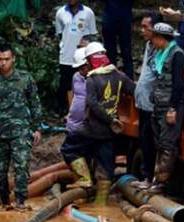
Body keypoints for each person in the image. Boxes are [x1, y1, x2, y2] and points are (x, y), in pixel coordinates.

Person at [0, 43, 42, 211]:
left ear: (13, 59)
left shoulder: (25, 79)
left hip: (21, 132)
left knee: (22, 166)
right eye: (0, 59)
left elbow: (35, 103)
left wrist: (37, 128)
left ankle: (20, 201)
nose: (3, 63)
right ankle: (5, 201)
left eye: (6, 59)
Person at [79, 41, 134, 203]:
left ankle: (86, 185)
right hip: (109, 132)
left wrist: (109, 120)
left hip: (91, 130)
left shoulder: (92, 80)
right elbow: (134, 91)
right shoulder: (119, 76)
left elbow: (92, 104)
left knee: (72, 150)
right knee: (106, 166)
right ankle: (100, 204)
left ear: (90, 61)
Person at [138, 23, 184, 194]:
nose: (153, 42)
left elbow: (179, 85)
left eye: (155, 39)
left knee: (167, 144)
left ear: (161, 38)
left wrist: (173, 108)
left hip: (170, 105)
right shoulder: (159, 54)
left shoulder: (177, 54)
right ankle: (155, 179)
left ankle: (162, 183)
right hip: (158, 104)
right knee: (158, 143)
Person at [130, 12, 163, 188]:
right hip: (142, 103)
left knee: (152, 141)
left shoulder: (163, 51)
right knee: (144, 139)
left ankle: (150, 178)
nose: (142, 30)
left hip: (153, 105)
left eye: (146, 27)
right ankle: (146, 177)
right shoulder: (149, 46)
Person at [55, 0, 97, 116]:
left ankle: (87, 113)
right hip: (66, 57)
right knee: (68, 85)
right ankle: (70, 113)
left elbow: (93, 35)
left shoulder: (88, 13)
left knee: (85, 85)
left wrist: (87, 43)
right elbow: (59, 34)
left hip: (83, 58)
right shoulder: (60, 13)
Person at [60, 47, 92, 188]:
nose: (80, 70)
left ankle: (85, 178)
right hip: (73, 122)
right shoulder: (76, 77)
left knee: (71, 150)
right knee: (73, 151)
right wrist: (69, 112)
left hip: (86, 124)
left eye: (82, 67)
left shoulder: (95, 79)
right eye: (78, 68)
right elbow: (73, 94)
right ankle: (81, 180)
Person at [102, 0, 134, 79]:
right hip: (109, 15)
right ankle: (110, 79)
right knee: (109, 52)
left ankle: (129, 81)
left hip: (124, 16)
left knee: (126, 51)